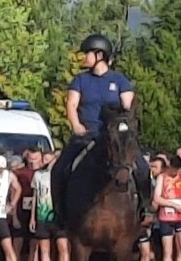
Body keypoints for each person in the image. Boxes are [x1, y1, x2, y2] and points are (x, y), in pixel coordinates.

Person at [50, 34, 152, 229]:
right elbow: (71, 104)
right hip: (87, 134)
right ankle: (60, 213)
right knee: (59, 168)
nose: (84, 58)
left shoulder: (119, 80)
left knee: (142, 167)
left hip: (115, 137)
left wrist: (125, 115)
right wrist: (76, 125)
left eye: (87, 53)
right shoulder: (80, 80)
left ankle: (146, 209)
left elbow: (128, 106)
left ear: (99, 55)